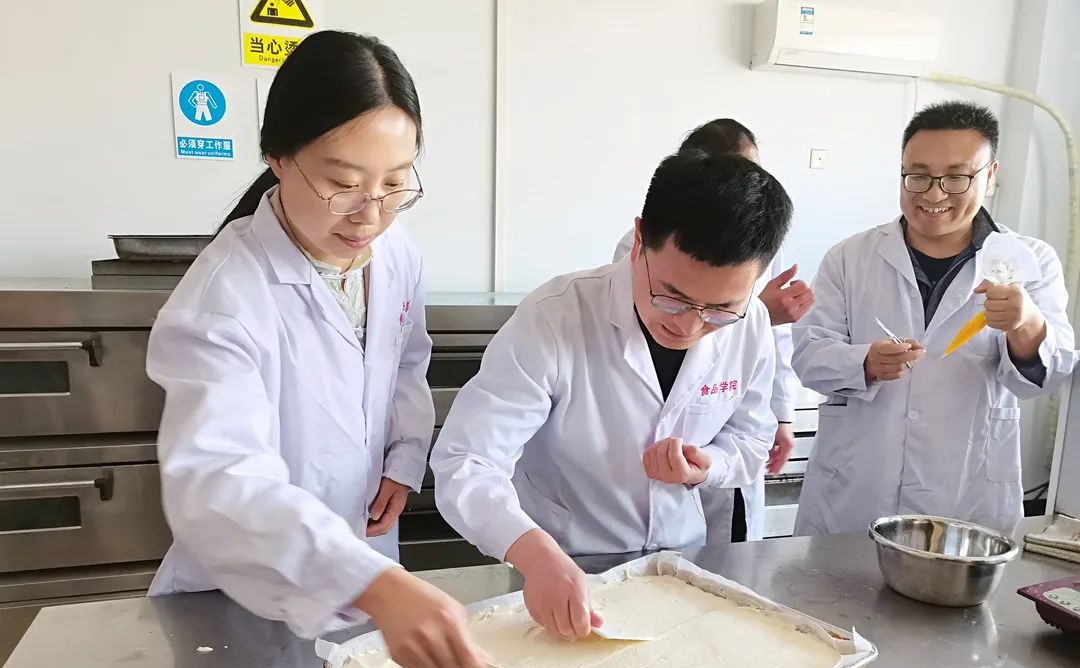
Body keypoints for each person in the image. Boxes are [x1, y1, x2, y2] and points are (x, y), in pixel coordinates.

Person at [145, 31, 484, 668]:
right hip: (243, 599)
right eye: (343, 183)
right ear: (277, 157)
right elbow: (220, 480)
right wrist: (370, 583)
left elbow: (405, 363)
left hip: (365, 555)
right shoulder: (226, 296)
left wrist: (403, 457)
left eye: (395, 183)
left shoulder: (396, 254)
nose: (370, 214)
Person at [432, 151, 793, 639]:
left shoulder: (751, 325)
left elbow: (751, 438)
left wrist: (707, 465)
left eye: (720, 309)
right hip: (566, 561)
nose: (689, 326)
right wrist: (533, 553)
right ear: (640, 239)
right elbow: (468, 461)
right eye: (672, 297)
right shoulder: (556, 317)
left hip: (680, 564)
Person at [793, 101, 1076, 537]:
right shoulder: (850, 257)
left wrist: (1026, 325)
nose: (934, 194)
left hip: (965, 493)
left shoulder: (1029, 260)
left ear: (990, 176)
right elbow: (808, 356)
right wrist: (864, 362)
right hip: (855, 488)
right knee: (835, 579)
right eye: (919, 175)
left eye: (956, 178)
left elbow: (1047, 378)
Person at [613, 118, 813, 542]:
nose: (742, 187)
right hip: (617, 508)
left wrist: (782, 415)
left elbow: (768, 353)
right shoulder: (648, 250)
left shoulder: (756, 253)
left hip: (710, 474)